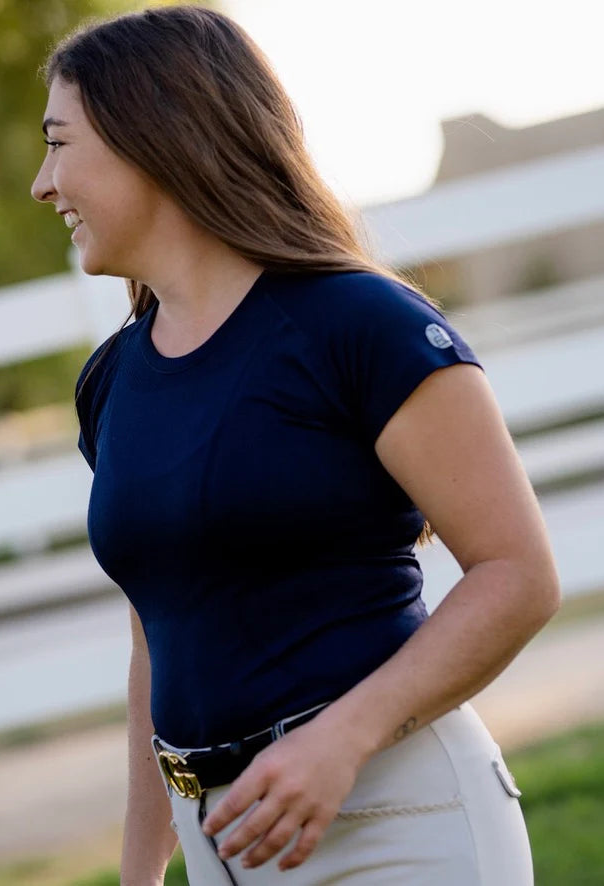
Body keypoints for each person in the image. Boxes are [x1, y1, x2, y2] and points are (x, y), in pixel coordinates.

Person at [30, 6, 560, 884]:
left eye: (59, 143)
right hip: (225, 848)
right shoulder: (112, 381)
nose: (44, 184)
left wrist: (338, 743)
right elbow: (156, 635)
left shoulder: (361, 327)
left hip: (396, 821)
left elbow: (518, 576)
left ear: (151, 136)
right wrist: (142, 865)